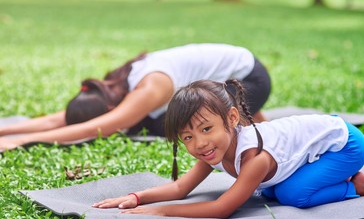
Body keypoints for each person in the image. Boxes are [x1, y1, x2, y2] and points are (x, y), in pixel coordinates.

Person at [92, 79, 364, 218]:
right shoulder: (212, 151)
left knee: (291, 195)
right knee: (267, 190)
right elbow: (181, 188)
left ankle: (355, 185)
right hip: (311, 145)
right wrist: (136, 197)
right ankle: (341, 177)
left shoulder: (253, 157)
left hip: (344, 143)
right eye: (187, 137)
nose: (199, 144)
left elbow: (222, 208)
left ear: (232, 119)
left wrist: (160, 213)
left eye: (206, 129)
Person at [0, 43, 271, 151]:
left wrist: (25, 141)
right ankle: (262, 123)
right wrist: (7, 130)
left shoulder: (150, 86)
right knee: (156, 119)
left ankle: (260, 128)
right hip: (226, 76)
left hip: (250, 78)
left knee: (161, 122)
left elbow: (100, 127)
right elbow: (61, 120)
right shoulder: (117, 85)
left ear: (109, 108)